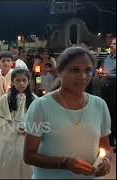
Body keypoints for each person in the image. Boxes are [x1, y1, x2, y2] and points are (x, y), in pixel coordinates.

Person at [24, 47, 112, 178]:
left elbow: (105, 146)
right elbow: (29, 156)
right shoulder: (41, 106)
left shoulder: (99, 105)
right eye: (75, 70)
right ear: (60, 71)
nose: (83, 76)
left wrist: (105, 160)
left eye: (88, 70)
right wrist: (64, 163)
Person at [0, 68, 37, 178]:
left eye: (24, 80)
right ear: (13, 82)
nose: (21, 83)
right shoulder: (6, 98)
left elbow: (39, 120)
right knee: (9, 162)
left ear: (28, 81)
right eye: (18, 80)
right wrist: (14, 128)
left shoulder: (34, 99)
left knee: (26, 164)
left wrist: (29, 128)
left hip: (27, 137)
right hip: (9, 138)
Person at [97, 37, 116, 151]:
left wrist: (109, 76)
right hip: (105, 87)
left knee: (114, 113)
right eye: (112, 43)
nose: (112, 45)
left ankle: (113, 139)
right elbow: (103, 70)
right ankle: (108, 139)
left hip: (114, 86)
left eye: (114, 44)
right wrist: (100, 72)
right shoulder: (107, 58)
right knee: (106, 111)